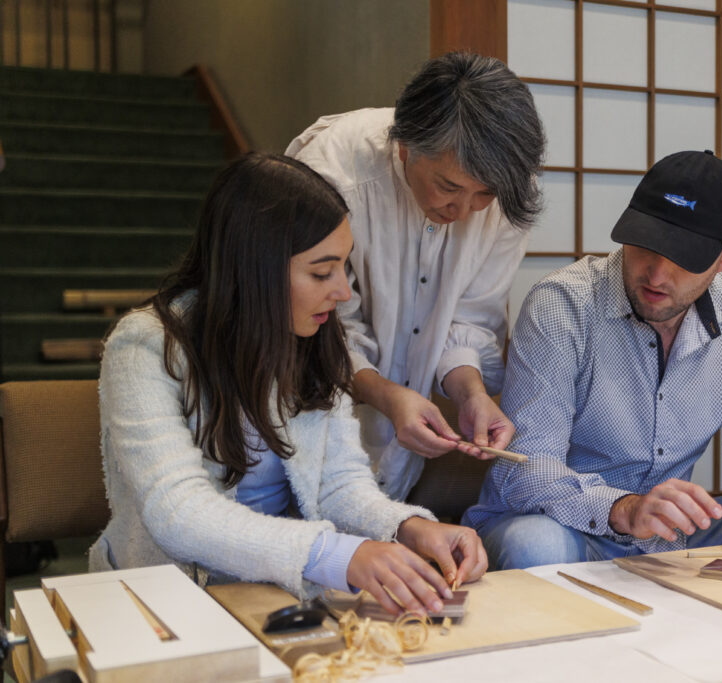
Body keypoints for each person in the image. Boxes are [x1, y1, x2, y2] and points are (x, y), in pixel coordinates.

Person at [89, 152, 487, 615]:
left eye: (344, 267)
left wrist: (409, 528)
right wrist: (336, 554)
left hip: (283, 597)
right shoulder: (145, 347)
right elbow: (178, 513)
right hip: (166, 601)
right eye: (322, 272)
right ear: (255, 269)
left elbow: (338, 484)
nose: (343, 292)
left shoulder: (313, 337)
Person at [463, 150, 722, 570]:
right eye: (646, 244)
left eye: (683, 256)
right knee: (533, 546)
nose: (657, 275)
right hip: (565, 526)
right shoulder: (563, 305)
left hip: (668, 535)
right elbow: (526, 467)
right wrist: (624, 508)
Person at [285, 52, 546, 500]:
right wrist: (386, 396)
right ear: (405, 146)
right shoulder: (331, 172)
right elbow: (321, 325)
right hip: (309, 424)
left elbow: (470, 318)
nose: (463, 211)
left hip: (402, 460)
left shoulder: (509, 192)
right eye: (449, 187)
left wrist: (470, 395)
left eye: (484, 194)